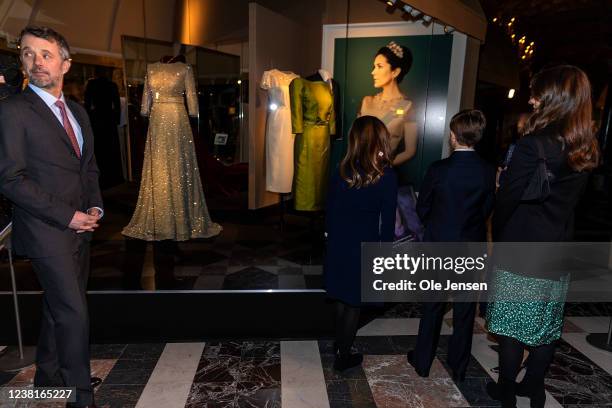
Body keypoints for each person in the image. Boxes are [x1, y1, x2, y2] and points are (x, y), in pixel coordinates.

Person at [0, 26, 104, 407]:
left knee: (56, 308)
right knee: (74, 312)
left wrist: (94, 208)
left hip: (81, 227)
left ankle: (47, 379)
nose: (36, 62)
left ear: (66, 63)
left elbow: (88, 168)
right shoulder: (12, 111)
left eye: (45, 54)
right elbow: (10, 179)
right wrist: (68, 216)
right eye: (28, 54)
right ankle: (81, 397)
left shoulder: (76, 111)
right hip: (46, 230)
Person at [486, 65, 600, 408]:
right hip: (559, 248)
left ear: (553, 99)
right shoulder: (585, 145)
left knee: (510, 327)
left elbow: (506, 204)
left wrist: (499, 194)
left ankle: (506, 390)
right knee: (546, 325)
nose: (531, 100)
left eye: (537, 94)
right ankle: (532, 386)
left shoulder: (532, 145)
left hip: (523, 248)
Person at [407, 109, 495, 382]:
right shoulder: (487, 171)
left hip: (438, 246)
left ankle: (422, 362)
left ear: (454, 136)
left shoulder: (439, 169)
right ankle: (458, 367)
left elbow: (422, 209)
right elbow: (487, 210)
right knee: (465, 310)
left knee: (432, 305)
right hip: (470, 247)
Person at [324, 115, 397, 371]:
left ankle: (339, 343)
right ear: (380, 140)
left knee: (342, 298)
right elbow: (387, 221)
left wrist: (329, 237)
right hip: (363, 244)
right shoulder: (385, 176)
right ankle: (343, 355)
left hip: (339, 242)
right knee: (353, 301)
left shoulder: (341, 170)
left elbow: (330, 210)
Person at [358, 41, 422, 241]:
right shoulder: (367, 102)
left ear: (395, 72)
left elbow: (410, 150)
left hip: (385, 178)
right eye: (373, 66)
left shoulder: (408, 106)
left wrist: (383, 167)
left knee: (386, 233)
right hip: (359, 176)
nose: (372, 72)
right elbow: (357, 141)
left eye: (379, 66)